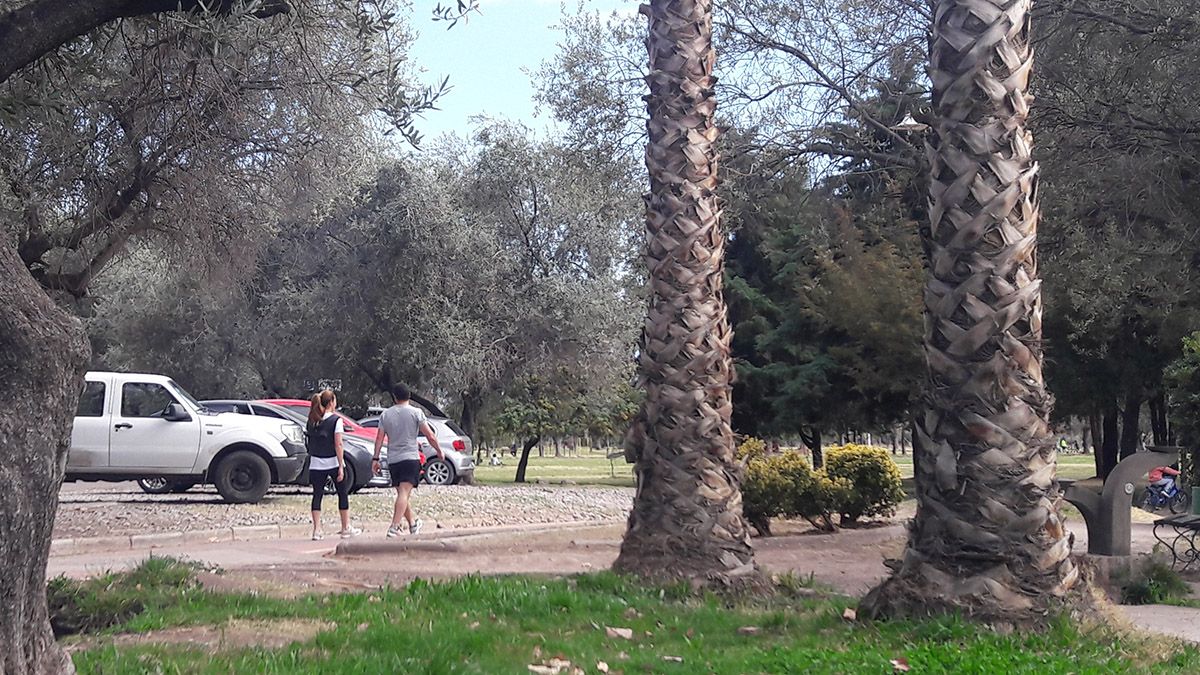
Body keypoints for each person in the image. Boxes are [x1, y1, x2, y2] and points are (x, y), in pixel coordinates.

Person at [373, 384, 444, 537]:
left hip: (394, 459)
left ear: (394, 397)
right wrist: (438, 450)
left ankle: (413, 524)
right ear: (409, 396)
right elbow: (430, 435)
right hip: (410, 457)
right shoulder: (416, 413)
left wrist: (375, 458)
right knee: (404, 494)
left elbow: (379, 438)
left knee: (402, 494)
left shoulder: (386, 415)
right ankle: (394, 527)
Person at [306, 390, 361, 541]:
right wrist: (341, 465)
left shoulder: (312, 420)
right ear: (331, 402)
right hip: (332, 462)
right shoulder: (336, 421)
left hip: (316, 463)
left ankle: (317, 530)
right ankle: (345, 527)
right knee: (342, 493)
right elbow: (338, 444)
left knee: (317, 495)